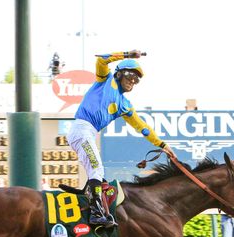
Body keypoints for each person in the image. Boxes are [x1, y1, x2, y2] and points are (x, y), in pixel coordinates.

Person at [66, 49, 175, 227]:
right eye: (130, 76)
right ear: (119, 73)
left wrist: (162, 144)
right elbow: (102, 60)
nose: (133, 81)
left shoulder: (125, 105)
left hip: (89, 133)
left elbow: (142, 127)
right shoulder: (105, 80)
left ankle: (96, 207)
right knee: (96, 168)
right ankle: (95, 213)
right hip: (81, 129)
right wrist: (127, 55)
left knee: (101, 180)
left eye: (136, 79)